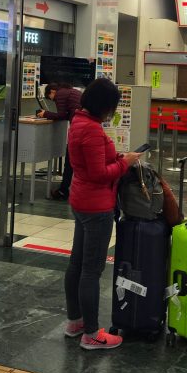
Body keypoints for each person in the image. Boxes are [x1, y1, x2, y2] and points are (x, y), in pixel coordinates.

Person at [63, 78, 141, 350]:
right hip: (96, 206)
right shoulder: (93, 130)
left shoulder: (78, 122)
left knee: (76, 264)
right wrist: (125, 162)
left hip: (81, 199)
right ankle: (92, 334)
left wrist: (115, 157)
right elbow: (98, 174)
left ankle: (75, 322)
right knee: (91, 270)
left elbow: (89, 165)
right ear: (104, 105)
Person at [36, 83, 82, 200]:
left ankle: (63, 191)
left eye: (49, 97)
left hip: (78, 127)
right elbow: (67, 114)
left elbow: (61, 115)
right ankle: (66, 189)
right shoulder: (69, 91)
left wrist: (45, 113)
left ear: (52, 91)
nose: (51, 100)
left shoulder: (60, 95)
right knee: (75, 161)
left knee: (70, 161)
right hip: (83, 124)